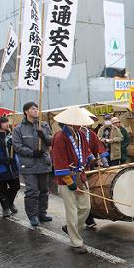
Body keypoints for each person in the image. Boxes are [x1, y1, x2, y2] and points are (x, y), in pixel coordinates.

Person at [51, 106, 96, 254]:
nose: (82, 124)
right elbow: (59, 161)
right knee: (72, 211)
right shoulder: (59, 137)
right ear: (70, 122)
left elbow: (85, 151)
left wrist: (92, 159)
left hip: (81, 176)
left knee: (85, 208)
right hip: (67, 178)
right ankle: (76, 242)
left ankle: (70, 228)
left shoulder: (80, 134)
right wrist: (69, 183)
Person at [12, 102, 53, 227]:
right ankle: (33, 216)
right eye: (33, 108)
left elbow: (51, 140)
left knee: (44, 190)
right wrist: (32, 153)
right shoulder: (18, 129)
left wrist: (44, 136)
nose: (36, 110)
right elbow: (17, 146)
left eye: (37, 108)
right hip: (29, 165)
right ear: (26, 111)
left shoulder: (44, 125)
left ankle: (42, 213)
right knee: (32, 191)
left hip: (43, 163)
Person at [81, 109, 109, 228]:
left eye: (91, 120)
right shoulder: (78, 132)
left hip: (90, 166)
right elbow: (84, 149)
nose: (90, 122)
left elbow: (99, 148)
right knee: (81, 194)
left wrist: (105, 162)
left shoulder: (91, 133)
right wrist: (92, 159)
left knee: (90, 191)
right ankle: (83, 219)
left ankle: (89, 216)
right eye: (88, 119)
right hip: (79, 166)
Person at [0, 117, 20, 217]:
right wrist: (3, 160)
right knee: (2, 189)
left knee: (15, 187)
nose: (7, 123)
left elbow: (17, 147)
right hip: (1, 168)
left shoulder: (11, 135)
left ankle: (10, 202)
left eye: (7, 121)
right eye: (4, 122)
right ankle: (5, 208)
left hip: (12, 167)